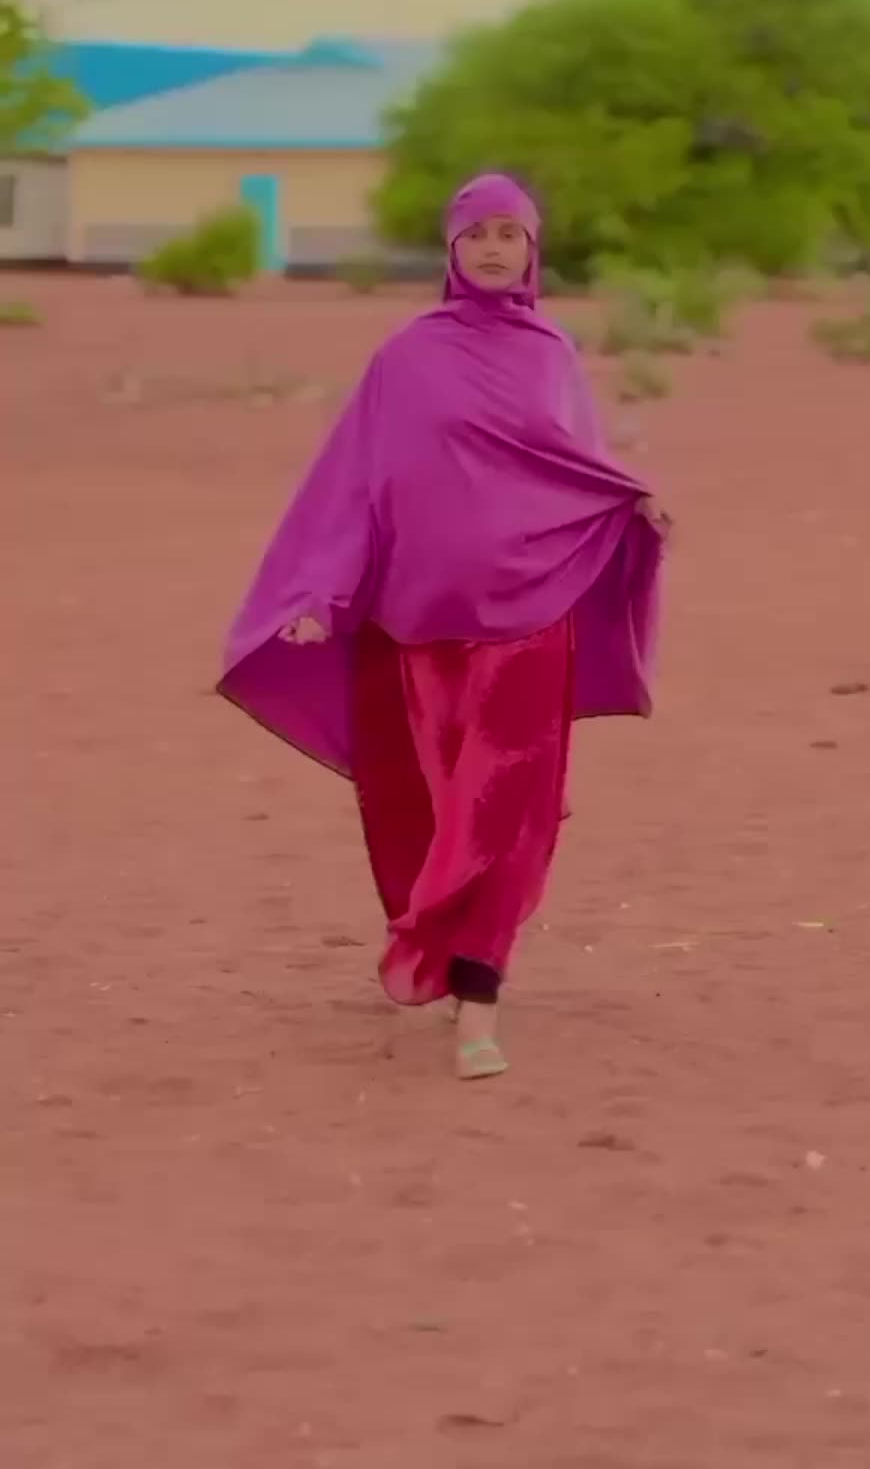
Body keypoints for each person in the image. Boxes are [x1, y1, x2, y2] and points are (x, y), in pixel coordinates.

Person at [219, 175, 668, 1081]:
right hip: (419, 618)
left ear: (533, 250)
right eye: (477, 234)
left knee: (503, 798)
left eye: (511, 234)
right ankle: (439, 942)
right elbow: (358, 486)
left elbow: (573, 465)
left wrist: (631, 504)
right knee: (438, 800)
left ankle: (479, 995)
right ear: (451, 249)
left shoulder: (550, 354)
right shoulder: (406, 358)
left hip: (533, 612)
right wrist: (320, 595)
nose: (494, 249)